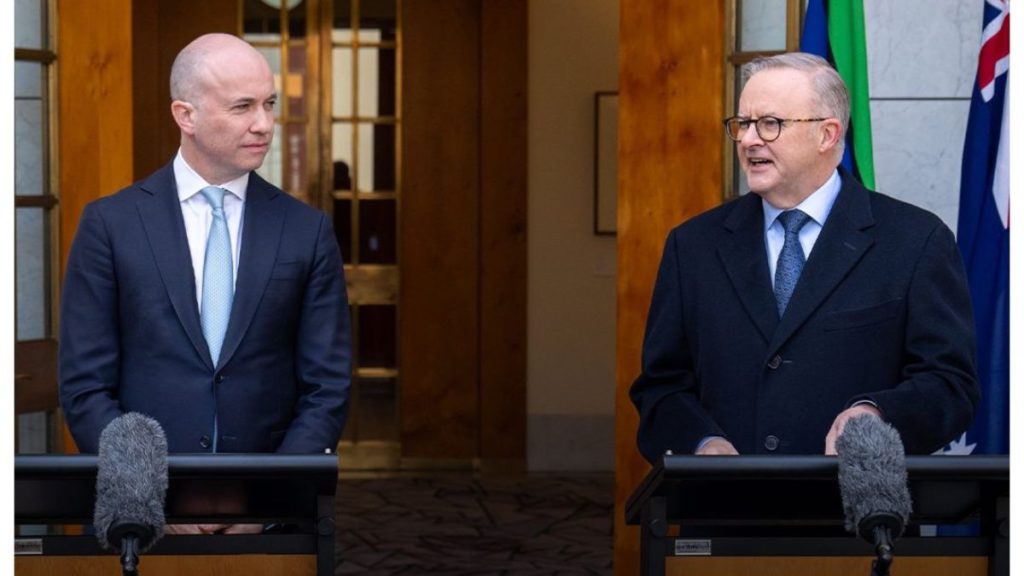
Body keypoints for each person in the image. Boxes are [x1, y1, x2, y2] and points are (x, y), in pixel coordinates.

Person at [59, 34, 351, 531]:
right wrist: (152, 497)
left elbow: (327, 387)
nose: (264, 124)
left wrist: (268, 501)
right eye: (242, 107)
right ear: (185, 115)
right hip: (140, 524)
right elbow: (85, 386)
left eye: (269, 104)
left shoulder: (307, 230)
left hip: (273, 525)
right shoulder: (110, 225)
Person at [630, 52, 979, 462]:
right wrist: (702, 443)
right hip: (726, 498)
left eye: (770, 123)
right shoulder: (692, 246)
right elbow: (662, 387)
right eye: (743, 123)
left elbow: (949, 384)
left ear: (827, 135)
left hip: (853, 499)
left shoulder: (915, 240)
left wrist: (875, 415)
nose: (748, 139)